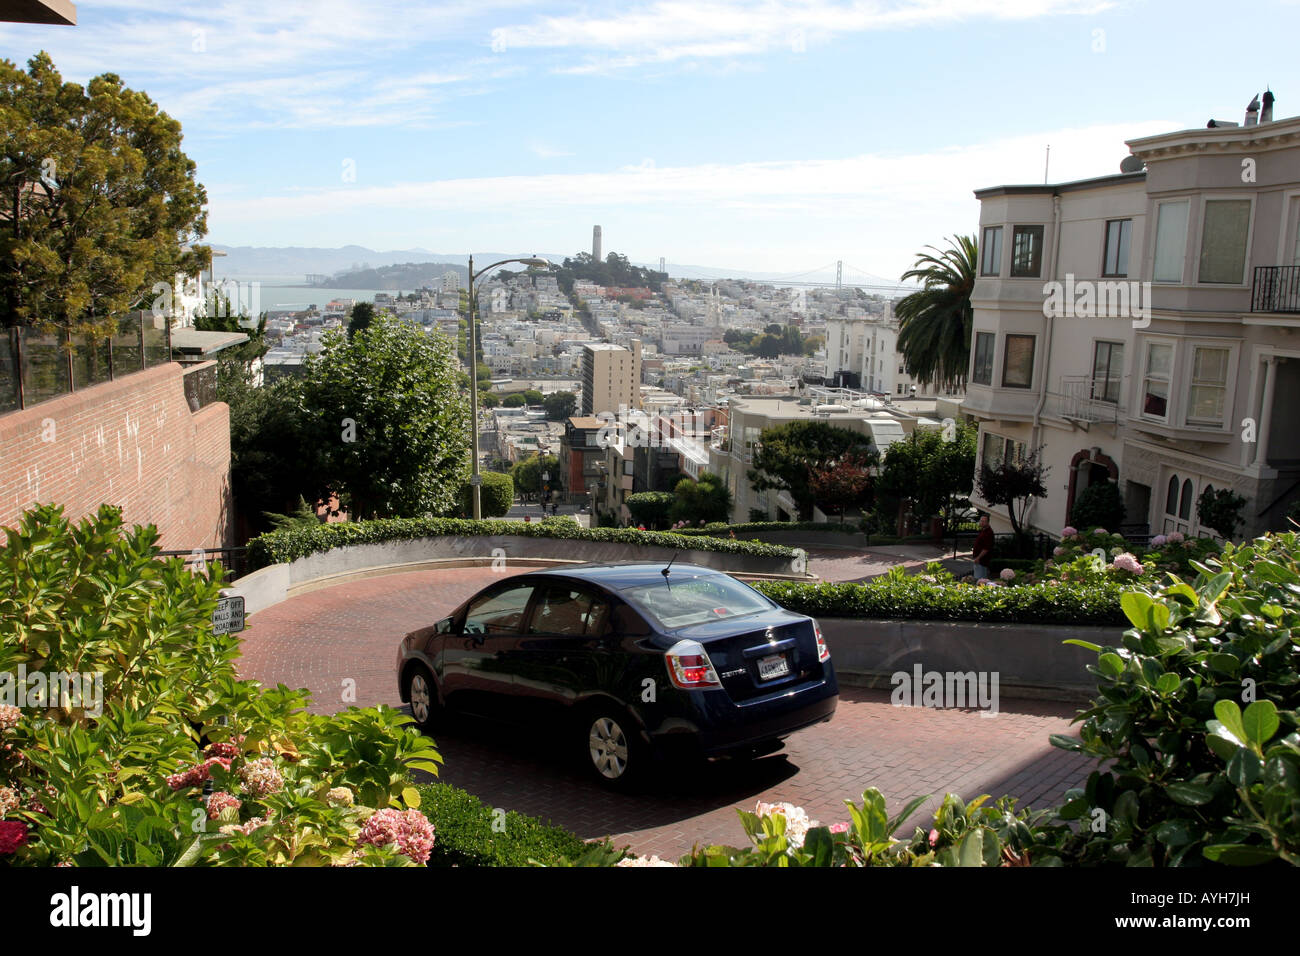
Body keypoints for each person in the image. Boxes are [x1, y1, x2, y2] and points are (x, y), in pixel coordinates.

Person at [972, 514, 993, 581]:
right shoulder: (983, 530)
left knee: (980, 580)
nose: (982, 522)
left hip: (982, 561)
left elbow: (986, 548)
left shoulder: (988, 533)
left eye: (984, 521)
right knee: (978, 578)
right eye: (981, 521)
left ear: (987, 522)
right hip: (979, 560)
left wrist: (978, 558)